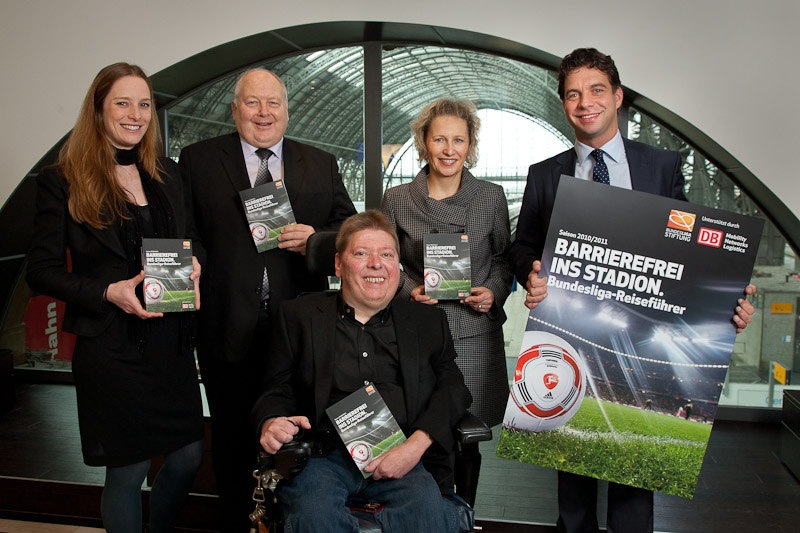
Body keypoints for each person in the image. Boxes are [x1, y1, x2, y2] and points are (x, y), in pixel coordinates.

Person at [508, 48, 757, 533]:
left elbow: (693, 254)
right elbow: (521, 246)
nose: (585, 103)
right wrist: (531, 272)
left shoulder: (661, 166)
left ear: (618, 97)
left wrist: (726, 301)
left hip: (643, 337)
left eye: (596, 90)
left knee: (632, 486)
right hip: (574, 331)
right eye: (573, 94)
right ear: (564, 105)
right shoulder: (545, 175)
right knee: (573, 484)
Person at [26, 63, 204, 533]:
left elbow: (190, 239)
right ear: (99, 109)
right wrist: (109, 291)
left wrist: (197, 262)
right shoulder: (62, 179)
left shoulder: (168, 173)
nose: (136, 114)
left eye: (144, 104)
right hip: (111, 348)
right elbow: (40, 273)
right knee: (126, 471)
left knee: (188, 457)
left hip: (171, 342)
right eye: (122, 103)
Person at [179, 68, 356, 530]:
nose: (264, 113)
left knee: (297, 436)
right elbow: (186, 232)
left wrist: (317, 239)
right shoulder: (197, 161)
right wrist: (191, 263)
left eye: (273, 103)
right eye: (252, 103)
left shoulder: (320, 162)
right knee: (234, 440)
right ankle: (239, 523)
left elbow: (350, 233)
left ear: (287, 110)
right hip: (225, 327)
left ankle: (291, 522)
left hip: (299, 332)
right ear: (235, 109)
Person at [252, 210, 472, 532]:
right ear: (339, 264)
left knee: (427, 514)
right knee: (314, 517)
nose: (376, 264)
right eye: (361, 253)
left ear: (397, 265)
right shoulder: (297, 316)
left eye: (386, 254)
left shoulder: (427, 322)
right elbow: (275, 389)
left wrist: (416, 445)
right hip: (322, 456)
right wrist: (271, 421)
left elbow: (454, 388)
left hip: (400, 455)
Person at [381, 98, 513, 427]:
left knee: (471, 432)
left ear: (470, 146)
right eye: (439, 139)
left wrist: (493, 293)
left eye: (458, 140)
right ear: (424, 143)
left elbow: (502, 259)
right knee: (419, 432)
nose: (448, 150)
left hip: (474, 332)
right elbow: (383, 261)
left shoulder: (490, 196)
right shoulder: (396, 199)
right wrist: (410, 290)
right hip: (415, 332)